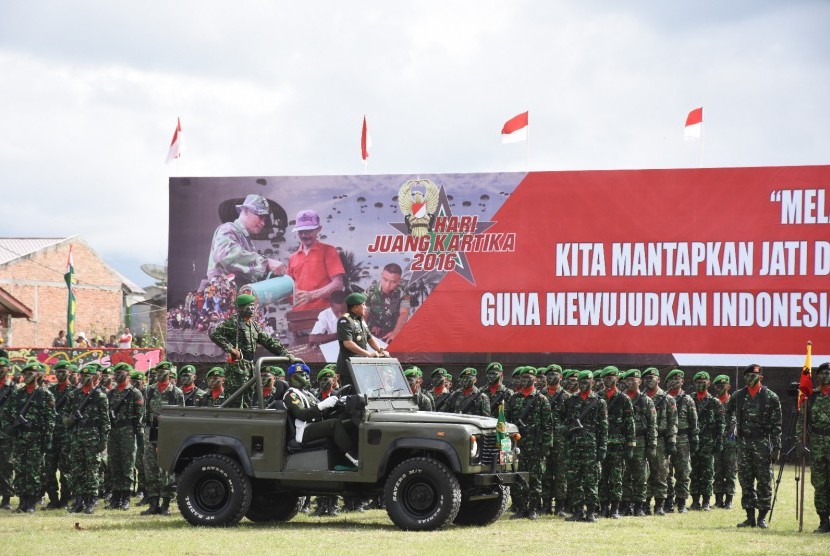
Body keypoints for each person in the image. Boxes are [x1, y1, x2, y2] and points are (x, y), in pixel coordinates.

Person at [210, 293, 294, 407]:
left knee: (248, 399)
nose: (252, 309)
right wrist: (231, 349)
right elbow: (215, 334)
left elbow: (268, 341)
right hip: (236, 367)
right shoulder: (233, 322)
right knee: (235, 399)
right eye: (249, 306)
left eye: (253, 306)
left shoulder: (253, 324)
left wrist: (284, 353)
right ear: (241, 308)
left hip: (250, 365)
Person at [725, 363, 782, 529]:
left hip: (763, 443)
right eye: (747, 376)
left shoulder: (771, 397)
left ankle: (762, 517)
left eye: (753, 376)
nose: (750, 379)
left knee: (764, 480)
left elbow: (777, 424)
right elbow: (728, 412)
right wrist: (732, 426)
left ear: (760, 377)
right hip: (743, 443)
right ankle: (750, 517)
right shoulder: (738, 396)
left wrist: (776, 447)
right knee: (746, 480)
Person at [0, 362, 55, 513]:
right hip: (20, 437)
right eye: (24, 374)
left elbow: (50, 419)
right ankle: (22, 501)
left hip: (36, 438)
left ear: (37, 376)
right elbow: (7, 412)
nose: (25, 377)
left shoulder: (44, 394)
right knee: (20, 470)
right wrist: (10, 428)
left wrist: (48, 438)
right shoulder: (18, 393)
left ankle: (30, 502)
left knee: (33, 471)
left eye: (29, 374)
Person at [283, 362, 358, 468]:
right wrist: (322, 405)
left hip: (314, 426)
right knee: (334, 424)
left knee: (349, 423)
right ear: (293, 377)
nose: (307, 377)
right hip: (304, 430)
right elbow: (302, 414)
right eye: (303, 374)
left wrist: (339, 401)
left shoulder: (307, 393)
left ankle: (345, 459)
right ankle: (352, 456)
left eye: (307, 375)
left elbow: (321, 409)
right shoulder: (292, 394)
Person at [205, 193, 285, 286]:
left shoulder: (244, 239)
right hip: (221, 296)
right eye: (260, 216)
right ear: (246, 210)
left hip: (238, 297)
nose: (263, 223)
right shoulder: (228, 229)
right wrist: (266, 263)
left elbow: (245, 273)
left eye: (265, 219)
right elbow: (225, 255)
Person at [506, 367, 552, 520]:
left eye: (528, 377)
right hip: (517, 445)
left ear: (535, 379)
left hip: (535, 444)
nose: (525, 380)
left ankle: (533, 509)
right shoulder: (513, 399)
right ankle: (521, 507)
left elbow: (547, 425)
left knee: (535, 477)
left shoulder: (541, 399)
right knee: (517, 477)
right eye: (523, 378)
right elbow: (507, 422)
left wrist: (546, 445)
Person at [563, 370, 608, 522]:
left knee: (591, 480)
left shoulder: (599, 402)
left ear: (593, 383)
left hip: (591, 445)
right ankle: (577, 511)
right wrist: (566, 430)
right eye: (581, 382)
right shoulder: (570, 400)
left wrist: (602, 448)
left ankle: (590, 512)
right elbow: (561, 421)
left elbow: (603, 427)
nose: (584, 385)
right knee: (574, 479)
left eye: (587, 382)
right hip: (574, 445)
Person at [64, 363, 109, 514]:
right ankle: (78, 500)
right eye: (82, 376)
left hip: (93, 437)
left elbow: (105, 421)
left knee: (92, 470)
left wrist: (103, 440)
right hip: (77, 437)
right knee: (77, 469)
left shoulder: (100, 396)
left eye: (87, 376)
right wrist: (71, 419)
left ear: (93, 378)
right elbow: (65, 418)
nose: (83, 379)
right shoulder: (74, 395)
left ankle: (90, 500)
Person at [141, 361, 184, 516]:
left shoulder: (176, 392)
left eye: (162, 372)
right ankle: (153, 503)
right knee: (150, 467)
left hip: (168, 433)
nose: (159, 375)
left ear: (169, 373)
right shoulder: (149, 391)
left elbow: (181, 417)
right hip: (150, 432)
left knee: (166, 469)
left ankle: (165, 504)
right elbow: (145, 413)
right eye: (157, 372)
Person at [286, 209, 345, 312]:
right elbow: (287, 288)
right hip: (298, 316)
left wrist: (311, 295)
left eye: (308, 231)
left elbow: (338, 284)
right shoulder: (292, 258)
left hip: (325, 314)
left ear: (319, 229)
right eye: (301, 231)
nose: (304, 235)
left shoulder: (329, 251)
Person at [597, 366, 635, 518]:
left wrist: (630, 445)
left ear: (617, 379)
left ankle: (615, 509)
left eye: (611, 377)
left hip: (618, 443)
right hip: (601, 443)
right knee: (602, 476)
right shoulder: (598, 397)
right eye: (606, 377)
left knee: (616, 477)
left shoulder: (624, 398)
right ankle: (604, 507)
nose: (608, 380)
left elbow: (629, 423)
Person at [797, 361, 830, 533]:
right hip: (817, 444)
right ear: (817, 376)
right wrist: (800, 442)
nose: (826, 376)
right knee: (819, 484)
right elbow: (802, 422)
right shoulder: (812, 397)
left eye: (828, 373)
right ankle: (824, 521)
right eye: (823, 373)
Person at [106, 362, 144, 511]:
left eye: (121, 373)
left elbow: (139, 416)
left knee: (127, 464)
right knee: (114, 464)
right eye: (116, 373)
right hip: (113, 431)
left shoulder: (135, 393)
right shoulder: (111, 393)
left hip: (128, 431)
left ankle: (126, 496)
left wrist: (137, 435)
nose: (117, 376)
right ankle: (116, 496)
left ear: (128, 375)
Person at [621, 369, 656, 517]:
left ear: (639, 382)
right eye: (627, 380)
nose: (630, 383)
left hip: (641, 441)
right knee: (624, 473)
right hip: (622, 440)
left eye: (633, 380)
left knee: (641, 475)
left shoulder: (646, 400)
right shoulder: (621, 399)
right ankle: (626, 504)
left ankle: (639, 505)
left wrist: (652, 445)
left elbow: (652, 425)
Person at [642, 367, 677, 516]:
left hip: (661, 440)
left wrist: (671, 441)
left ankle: (660, 505)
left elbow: (673, 422)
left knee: (661, 473)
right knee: (645, 474)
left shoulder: (668, 398)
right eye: (646, 378)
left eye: (652, 378)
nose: (649, 380)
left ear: (658, 379)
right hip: (643, 439)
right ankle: (645, 503)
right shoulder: (640, 397)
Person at [665, 369, 698, 514]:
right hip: (664, 439)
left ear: (682, 382)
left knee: (683, 472)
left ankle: (682, 501)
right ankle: (668, 500)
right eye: (671, 380)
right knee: (665, 472)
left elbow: (694, 421)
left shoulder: (687, 399)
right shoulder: (663, 397)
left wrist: (694, 438)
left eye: (677, 379)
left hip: (683, 439)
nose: (674, 382)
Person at [44, 361, 75, 509]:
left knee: (66, 470)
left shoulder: (75, 392)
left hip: (67, 437)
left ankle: (64, 500)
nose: (60, 374)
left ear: (69, 372)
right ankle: (53, 499)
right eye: (57, 372)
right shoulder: (50, 391)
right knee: (49, 469)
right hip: (51, 435)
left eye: (63, 371)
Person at [336, 292, 389, 378]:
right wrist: (368, 354)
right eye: (363, 304)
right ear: (356, 307)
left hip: (360, 364)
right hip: (349, 367)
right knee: (351, 391)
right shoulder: (345, 320)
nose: (365, 307)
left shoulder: (361, 320)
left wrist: (380, 351)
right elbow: (348, 343)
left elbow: (370, 338)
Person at [541, 364, 569, 516]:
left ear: (561, 377)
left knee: (560, 474)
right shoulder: (541, 394)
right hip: (544, 439)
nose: (551, 377)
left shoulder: (566, 397)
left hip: (561, 440)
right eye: (548, 374)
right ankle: (545, 504)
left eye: (554, 374)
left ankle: (560, 506)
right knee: (545, 472)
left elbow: (571, 419)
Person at [365, 263, 411, 343]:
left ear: (399, 281)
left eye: (393, 282)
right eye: (385, 279)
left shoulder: (404, 293)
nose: (387, 285)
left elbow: (404, 313)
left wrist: (396, 332)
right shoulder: (369, 292)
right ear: (381, 275)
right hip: (374, 331)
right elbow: (365, 314)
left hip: (395, 330)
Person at [712, 374, 738, 510]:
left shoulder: (734, 402)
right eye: (717, 386)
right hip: (716, 441)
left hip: (730, 442)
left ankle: (729, 500)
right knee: (717, 471)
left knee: (730, 471)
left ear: (728, 386)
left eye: (722, 386)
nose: (719, 388)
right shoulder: (712, 401)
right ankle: (718, 500)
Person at [0, 357, 14, 510]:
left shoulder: (13, 389)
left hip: (6, 434)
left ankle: (6, 498)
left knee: (6, 466)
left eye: (2, 368)